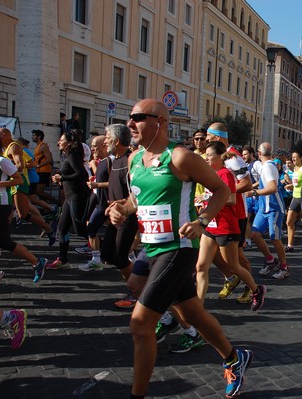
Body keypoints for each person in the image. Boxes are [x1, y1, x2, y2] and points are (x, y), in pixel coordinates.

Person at [108, 99, 253, 398]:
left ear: (159, 120)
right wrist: (120, 208)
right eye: (130, 118)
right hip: (151, 246)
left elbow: (222, 190)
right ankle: (234, 357)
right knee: (191, 311)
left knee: (139, 325)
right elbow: (137, 200)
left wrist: (202, 221)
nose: (130, 124)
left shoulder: (180, 157)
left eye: (137, 118)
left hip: (179, 246)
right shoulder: (135, 159)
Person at [195, 141, 265, 312]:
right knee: (201, 266)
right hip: (211, 224)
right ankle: (198, 306)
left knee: (233, 266)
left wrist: (206, 200)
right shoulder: (211, 173)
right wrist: (202, 200)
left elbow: (231, 199)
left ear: (220, 157)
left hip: (226, 226)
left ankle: (257, 290)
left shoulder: (225, 173)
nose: (206, 158)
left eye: (209, 155)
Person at [101, 124, 140, 308]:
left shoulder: (128, 160)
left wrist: (122, 205)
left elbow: (137, 192)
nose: (104, 140)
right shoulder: (114, 160)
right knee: (107, 253)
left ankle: (137, 292)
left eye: (107, 137)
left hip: (127, 217)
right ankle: (137, 287)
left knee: (120, 255)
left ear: (117, 141)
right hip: (114, 217)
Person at [0, 142, 47, 283]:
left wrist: (0, 184)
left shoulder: (2, 161)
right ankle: (37, 262)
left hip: (1, 203)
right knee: (5, 242)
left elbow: (19, 179)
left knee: (5, 241)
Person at [46, 131, 91, 270]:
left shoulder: (73, 155)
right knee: (62, 227)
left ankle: (108, 249)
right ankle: (63, 259)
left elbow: (82, 174)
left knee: (81, 230)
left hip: (78, 197)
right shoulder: (68, 155)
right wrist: (59, 177)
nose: (59, 142)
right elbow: (72, 173)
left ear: (70, 142)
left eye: (61, 140)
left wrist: (62, 178)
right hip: (70, 197)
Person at [251, 142, 289, 279]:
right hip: (263, 207)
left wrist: (254, 192)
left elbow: (272, 187)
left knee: (275, 238)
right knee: (255, 234)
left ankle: (284, 267)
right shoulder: (267, 166)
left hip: (274, 208)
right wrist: (251, 186)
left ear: (259, 153)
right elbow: (265, 182)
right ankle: (270, 260)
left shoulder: (268, 167)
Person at [80, 135, 109, 271]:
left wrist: (97, 183)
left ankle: (130, 258)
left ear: (105, 145)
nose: (92, 149)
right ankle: (97, 259)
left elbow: (116, 183)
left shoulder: (111, 161)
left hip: (110, 201)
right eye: (92, 146)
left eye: (95, 146)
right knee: (91, 228)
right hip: (100, 199)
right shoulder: (101, 160)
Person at [285, 150, 302, 252]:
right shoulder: (295, 169)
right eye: (292, 158)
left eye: (295, 157)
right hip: (295, 198)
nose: (293, 159)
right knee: (289, 221)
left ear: (301, 158)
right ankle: (290, 245)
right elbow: (297, 184)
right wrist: (290, 186)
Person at [31, 129, 58, 204]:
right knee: (39, 192)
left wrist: (38, 165)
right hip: (38, 172)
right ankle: (47, 209)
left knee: (39, 191)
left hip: (44, 171)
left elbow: (49, 159)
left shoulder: (43, 146)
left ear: (39, 137)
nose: (32, 137)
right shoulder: (37, 146)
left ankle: (58, 203)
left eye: (34, 135)